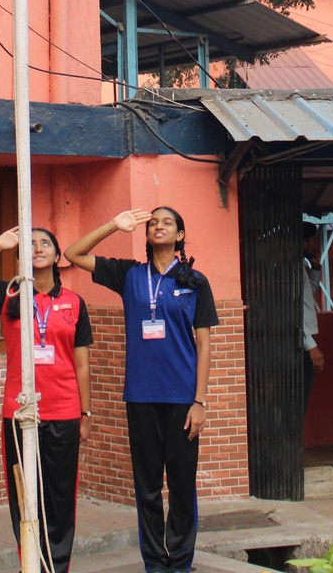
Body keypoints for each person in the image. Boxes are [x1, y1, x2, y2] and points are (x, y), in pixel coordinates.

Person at [66, 207, 218, 573]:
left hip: (182, 399)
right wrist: (113, 225)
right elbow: (72, 254)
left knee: (181, 486)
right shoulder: (129, 275)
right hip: (141, 396)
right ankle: (155, 564)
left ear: (180, 235)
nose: (158, 226)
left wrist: (199, 401)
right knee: (147, 487)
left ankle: (180, 563)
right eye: (152, 223)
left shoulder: (195, 281)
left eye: (167, 222)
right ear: (145, 234)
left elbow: (204, 345)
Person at [0, 225, 92, 573]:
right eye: (30, 244)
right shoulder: (8, 294)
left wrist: (86, 413)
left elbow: (82, 364)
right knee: (24, 498)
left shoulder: (74, 303)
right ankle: (30, 565)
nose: (37, 248)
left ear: (57, 256)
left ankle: (56, 568)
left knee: (60, 500)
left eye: (45, 243)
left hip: (64, 412)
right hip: (20, 413)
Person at [302, 224, 325, 417]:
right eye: (313, 241)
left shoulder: (300, 266)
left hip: (305, 339)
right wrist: (311, 345)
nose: (316, 246)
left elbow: (307, 295)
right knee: (300, 399)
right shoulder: (291, 268)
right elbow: (294, 309)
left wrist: (316, 269)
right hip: (301, 341)